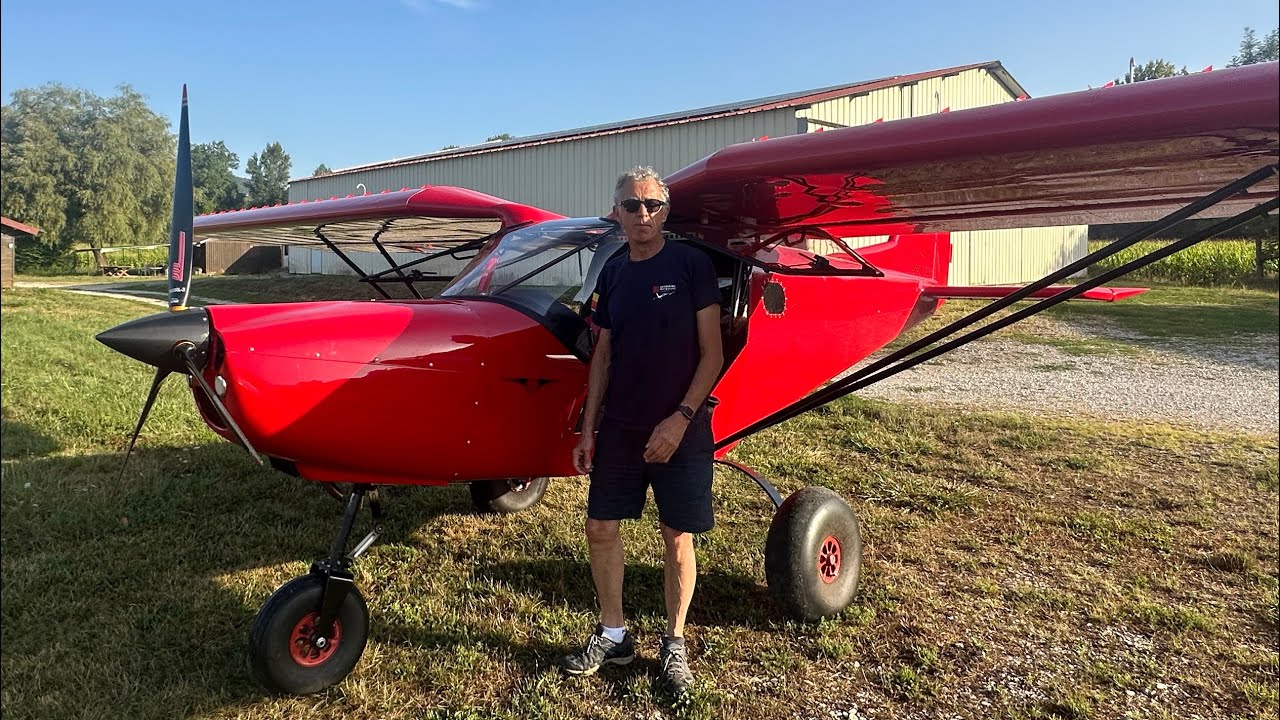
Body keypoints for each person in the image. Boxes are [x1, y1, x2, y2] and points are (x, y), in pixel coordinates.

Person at [560, 166, 724, 697]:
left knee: (677, 537)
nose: (643, 214)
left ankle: (673, 644)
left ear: (665, 211)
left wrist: (679, 419)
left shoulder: (691, 264)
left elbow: (712, 354)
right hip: (622, 427)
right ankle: (614, 633)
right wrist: (588, 429)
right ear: (618, 214)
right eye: (632, 206)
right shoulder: (612, 273)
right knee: (600, 528)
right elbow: (602, 355)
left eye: (652, 205)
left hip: (682, 426)